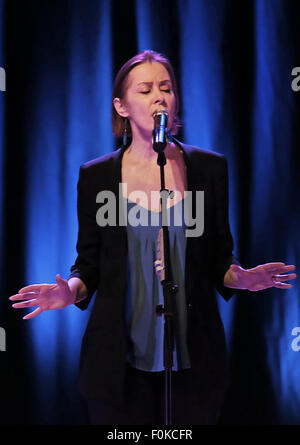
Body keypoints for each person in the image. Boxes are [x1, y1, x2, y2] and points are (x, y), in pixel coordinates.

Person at [10, 50, 296, 425]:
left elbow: (219, 258)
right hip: (117, 365)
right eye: (145, 90)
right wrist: (71, 291)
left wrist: (239, 277)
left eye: (166, 88)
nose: (159, 97)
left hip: (194, 361)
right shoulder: (98, 176)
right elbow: (89, 264)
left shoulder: (208, 168)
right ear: (122, 106)